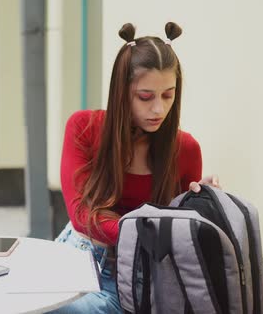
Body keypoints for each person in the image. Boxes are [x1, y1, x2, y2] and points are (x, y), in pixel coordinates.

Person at [48, 22, 221, 313]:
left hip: (140, 273)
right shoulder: (84, 128)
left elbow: (177, 235)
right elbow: (81, 215)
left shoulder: (186, 149)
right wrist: (148, 231)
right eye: (145, 96)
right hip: (80, 255)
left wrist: (201, 202)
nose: (159, 109)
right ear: (121, 91)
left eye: (168, 95)